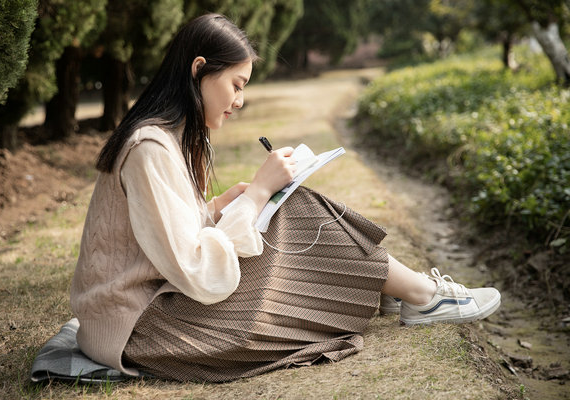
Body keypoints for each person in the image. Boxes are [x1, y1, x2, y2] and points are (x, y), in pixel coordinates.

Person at [70, 13, 501, 382]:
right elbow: (198, 271)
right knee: (289, 208)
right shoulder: (150, 146)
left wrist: (222, 205)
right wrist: (256, 193)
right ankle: (420, 296)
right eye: (236, 85)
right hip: (143, 330)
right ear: (199, 69)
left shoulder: (166, 138)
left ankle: (404, 291)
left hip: (153, 311)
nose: (238, 101)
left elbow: (163, 232)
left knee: (287, 203)